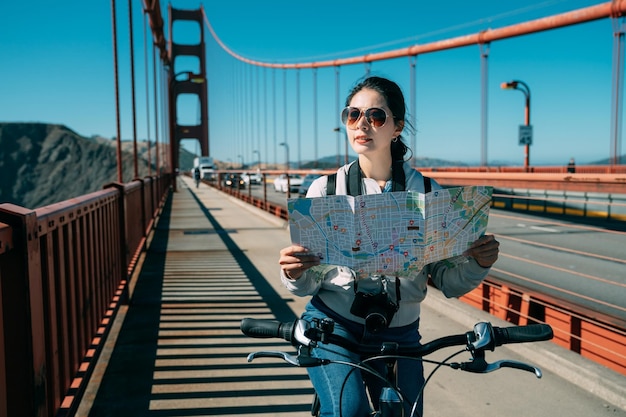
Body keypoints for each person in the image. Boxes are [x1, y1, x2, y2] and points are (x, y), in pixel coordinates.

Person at [278, 76, 500, 417]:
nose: (362, 124)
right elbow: (307, 282)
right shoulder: (324, 190)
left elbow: (446, 279)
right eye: (352, 115)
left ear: (396, 127)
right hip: (333, 325)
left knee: (403, 414)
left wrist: (477, 264)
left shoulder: (428, 191)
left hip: (401, 331)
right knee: (349, 411)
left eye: (375, 116)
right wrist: (295, 273)